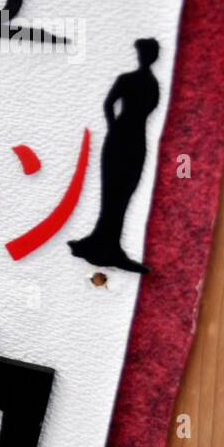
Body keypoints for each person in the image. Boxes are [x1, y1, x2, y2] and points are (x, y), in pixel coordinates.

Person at [68, 37, 161, 273]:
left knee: (123, 193)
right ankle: (100, 244)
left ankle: (110, 246)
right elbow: (109, 103)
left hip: (130, 138)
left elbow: (111, 104)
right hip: (125, 137)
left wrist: (114, 126)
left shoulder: (149, 83)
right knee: (112, 193)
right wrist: (112, 127)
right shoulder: (136, 81)